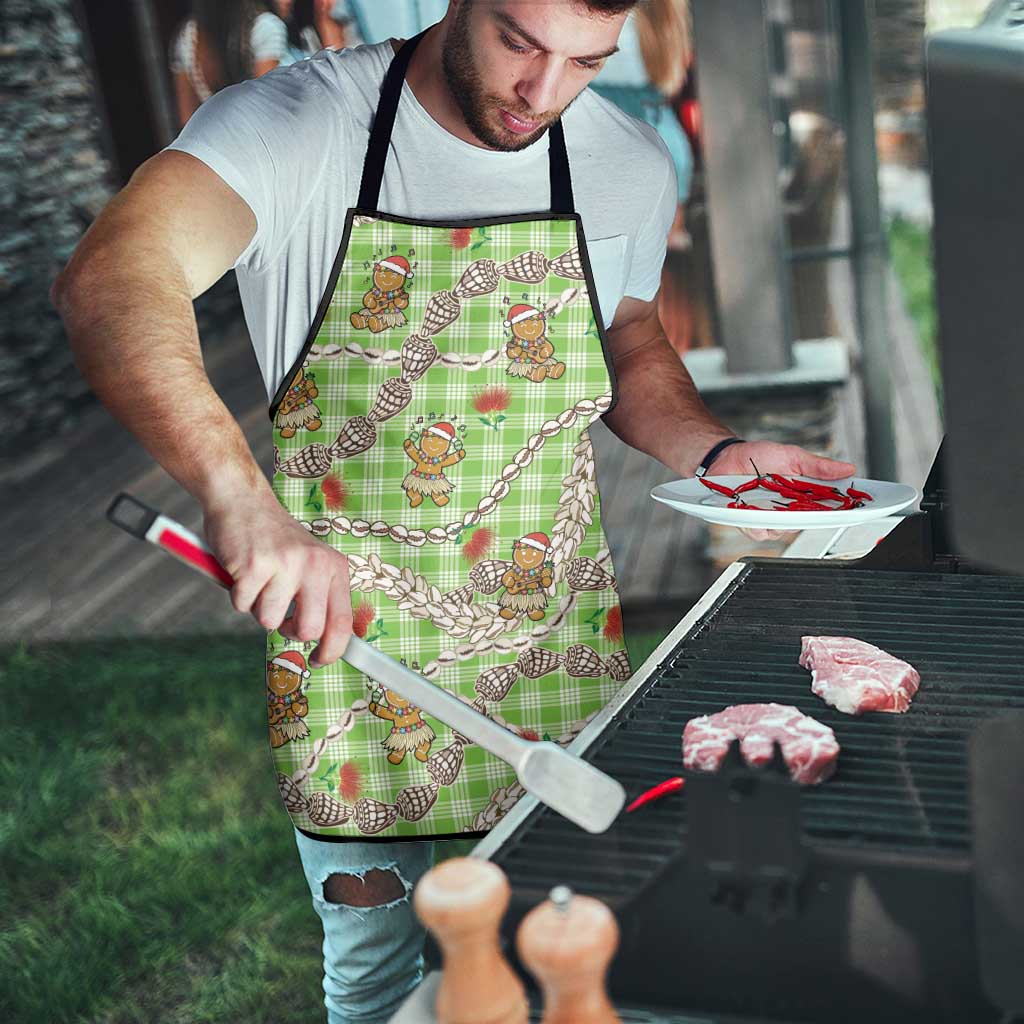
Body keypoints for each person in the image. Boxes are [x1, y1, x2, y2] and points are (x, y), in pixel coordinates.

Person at [52, 2, 856, 1020]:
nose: (543, 93)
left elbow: (630, 338)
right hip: (353, 658)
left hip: (548, 647)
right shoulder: (297, 125)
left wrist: (718, 449)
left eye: (585, 62)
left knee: (561, 955)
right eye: (521, 42)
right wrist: (237, 496)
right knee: (381, 978)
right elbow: (113, 275)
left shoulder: (624, 160)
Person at [169, 0, 289, 127]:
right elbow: (266, 107)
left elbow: (187, 120)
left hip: (215, 140)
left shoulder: (188, 37)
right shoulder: (266, 27)